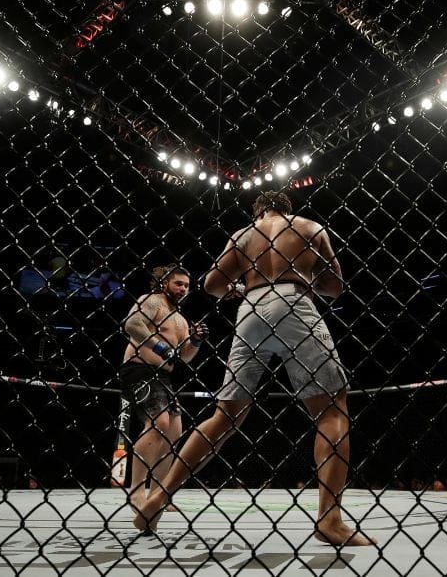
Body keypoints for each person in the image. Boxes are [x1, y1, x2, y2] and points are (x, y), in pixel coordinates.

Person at [132, 191, 375, 547]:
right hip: (295, 302)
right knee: (331, 410)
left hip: (251, 308)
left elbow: (212, 285)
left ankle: (159, 496)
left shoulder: (242, 235)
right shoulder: (309, 227)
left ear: (258, 211)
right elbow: (336, 287)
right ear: (287, 208)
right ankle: (330, 519)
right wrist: (307, 279)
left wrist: (238, 286)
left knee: (224, 416)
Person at [120, 264, 206, 511]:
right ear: (164, 283)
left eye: (187, 286)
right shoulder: (152, 301)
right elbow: (133, 325)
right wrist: (159, 347)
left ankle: (159, 494)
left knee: (173, 433)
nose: (183, 289)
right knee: (159, 424)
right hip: (139, 369)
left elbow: (184, 357)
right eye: (178, 283)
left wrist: (197, 341)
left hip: (164, 377)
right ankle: (136, 491)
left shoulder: (180, 319)